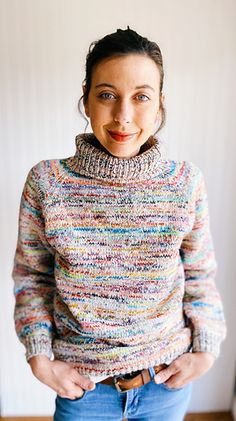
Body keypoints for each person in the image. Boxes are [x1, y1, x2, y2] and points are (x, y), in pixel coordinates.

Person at [12, 27, 226, 421]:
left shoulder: (185, 182)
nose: (123, 116)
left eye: (141, 97)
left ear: (160, 103)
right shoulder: (46, 182)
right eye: (107, 95)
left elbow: (199, 275)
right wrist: (39, 357)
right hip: (84, 388)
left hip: (166, 382)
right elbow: (32, 278)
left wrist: (206, 350)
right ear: (87, 99)